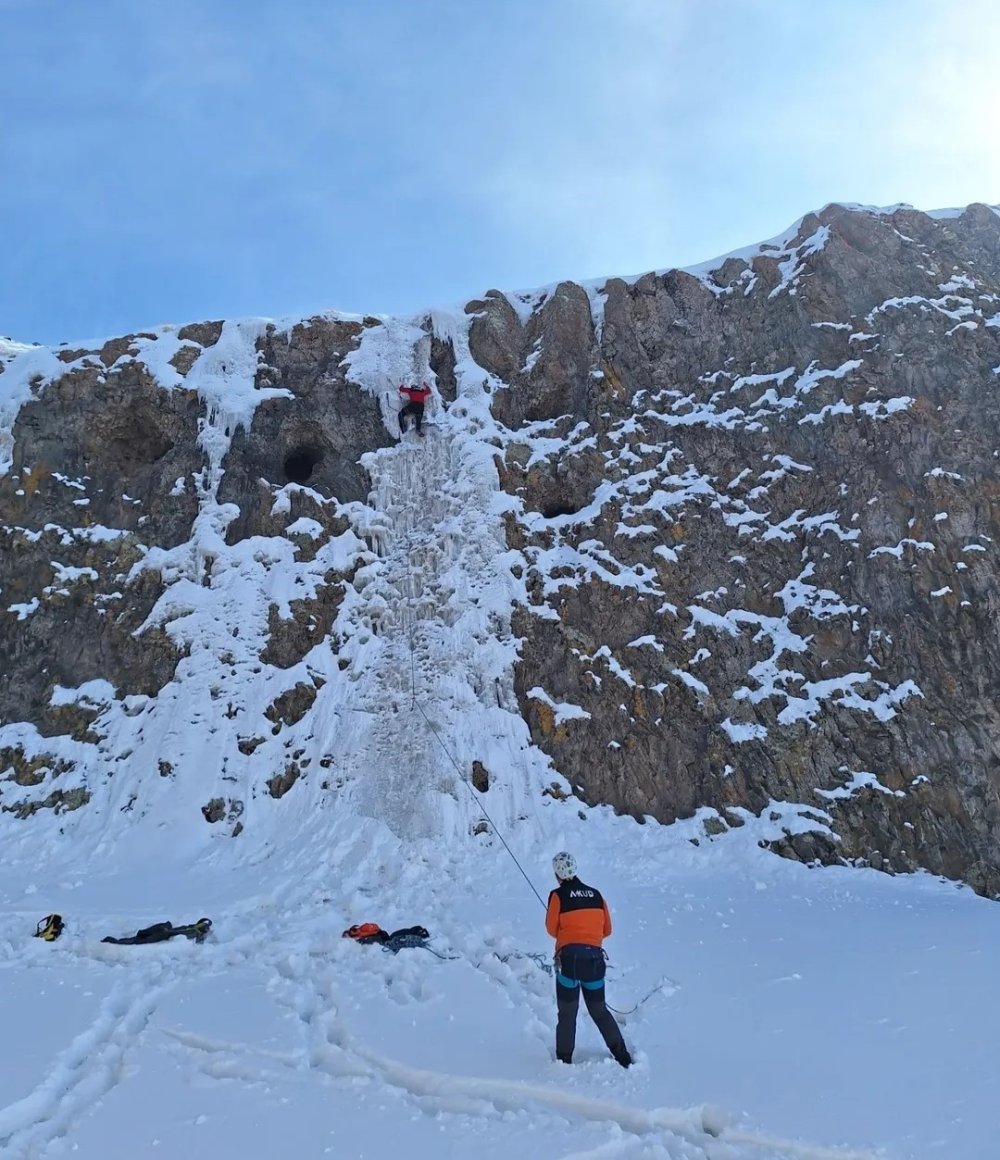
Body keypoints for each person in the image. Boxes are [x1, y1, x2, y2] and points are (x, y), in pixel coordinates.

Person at [545, 851, 632, 1068]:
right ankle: (622, 1056)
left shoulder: (557, 896)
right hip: (594, 962)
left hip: (568, 963)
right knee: (599, 1011)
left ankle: (564, 1060)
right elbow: (607, 930)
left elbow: (551, 929)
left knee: (567, 1013)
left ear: (557, 874)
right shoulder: (596, 895)